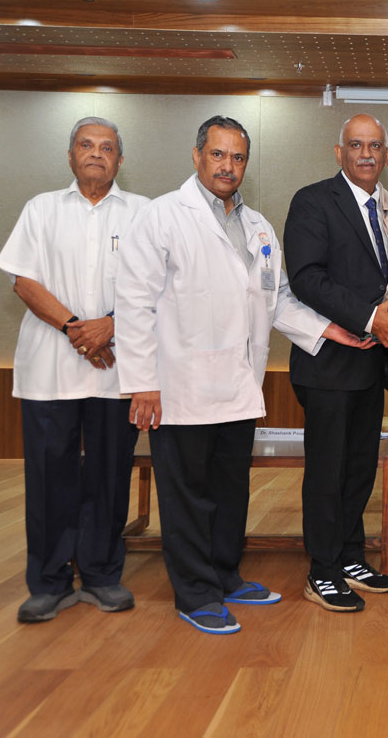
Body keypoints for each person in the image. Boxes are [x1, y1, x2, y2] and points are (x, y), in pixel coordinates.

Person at [114, 115, 369, 634]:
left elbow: (279, 299)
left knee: (230, 490)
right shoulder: (162, 216)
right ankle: (195, 592)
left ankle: (226, 575)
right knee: (187, 494)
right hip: (180, 386)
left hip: (237, 385)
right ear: (197, 156)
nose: (227, 166)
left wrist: (328, 331)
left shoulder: (258, 227)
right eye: (218, 154)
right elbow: (134, 302)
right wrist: (142, 383)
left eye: (238, 157)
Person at [0, 117, 148, 623]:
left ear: (120, 160)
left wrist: (111, 325)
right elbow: (24, 281)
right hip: (49, 369)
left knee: (109, 476)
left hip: (116, 368)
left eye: (107, 147)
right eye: (86, 145)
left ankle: (102, 575)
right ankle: (49, 582)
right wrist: (77, 329)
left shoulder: (144, 213)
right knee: (48, 476)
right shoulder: (40, 209)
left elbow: (160, 286)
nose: (96, 154)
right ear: (70, 155)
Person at [284, 114, 388, 612]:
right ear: (338, 152)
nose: (365, 154)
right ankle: (321, 569)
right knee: (327, 471)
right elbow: (307, 278)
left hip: (372, 363)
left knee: (360, 467)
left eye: (374, 146)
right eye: (355, 145)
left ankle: (350, 556)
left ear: (387, 155)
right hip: (328, 365)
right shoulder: (313, 201)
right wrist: (369, 317)